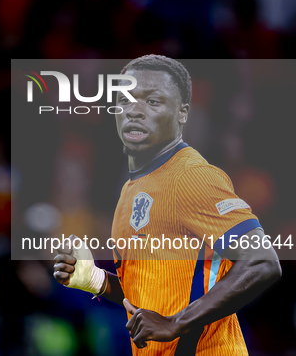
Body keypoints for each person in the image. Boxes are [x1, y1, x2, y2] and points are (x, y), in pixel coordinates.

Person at [53, 55, 282, 355]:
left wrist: (176, 323)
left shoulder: (192, 176)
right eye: (125, 100)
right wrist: (96, 280)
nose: (135, 111)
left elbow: (263, 261)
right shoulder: (130, 191)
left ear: (182, 113)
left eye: (152, 101)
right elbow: (153, 295)